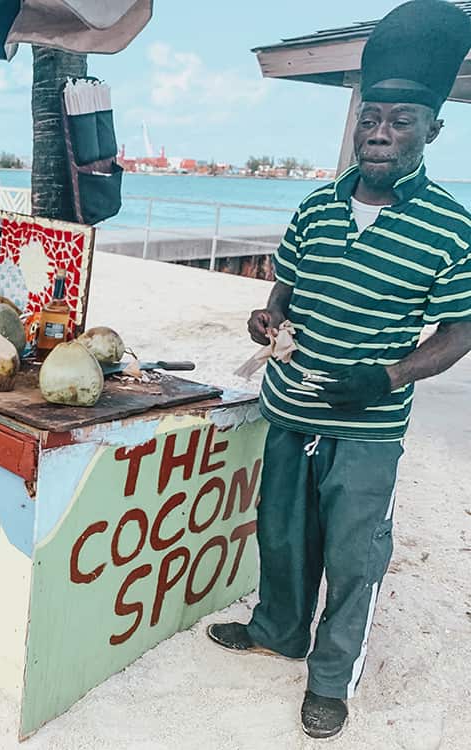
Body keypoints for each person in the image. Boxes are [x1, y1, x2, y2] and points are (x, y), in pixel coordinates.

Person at [207, 0, 471, 740]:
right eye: (371, 117)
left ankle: (330, 679)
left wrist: (385, 377)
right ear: (357, 121)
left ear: (433, 130)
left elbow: (460, 330)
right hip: (289, 407)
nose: (380, 133)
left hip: (369, 425)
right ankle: (278, 631)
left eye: (401, 121)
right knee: (283, 537)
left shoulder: (450, 226)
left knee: (356, 557)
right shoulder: (316, 205)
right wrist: (265, 319)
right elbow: (280, 291)